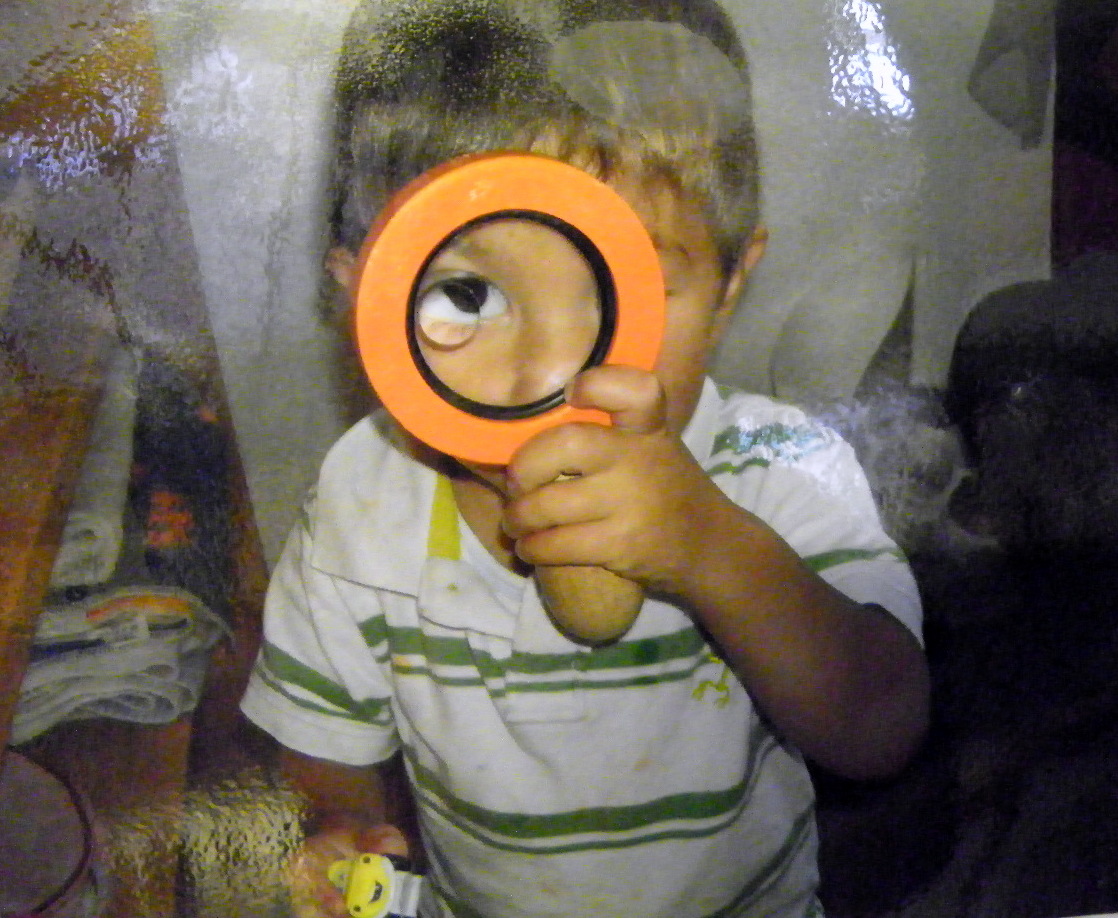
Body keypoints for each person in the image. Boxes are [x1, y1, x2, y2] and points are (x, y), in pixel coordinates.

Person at [239, 1, 931, 916]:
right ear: (368, 303)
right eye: (468, 294)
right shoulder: (362, 499)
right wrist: (340, 835)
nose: (552, 373)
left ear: (729, 287)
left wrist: (708, 545)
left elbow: (882, 727)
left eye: (623, 289)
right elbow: (324, 748)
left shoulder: (778, 464)